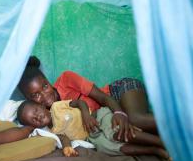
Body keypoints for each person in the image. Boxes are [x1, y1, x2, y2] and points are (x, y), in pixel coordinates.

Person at [18, 56, 159, 144]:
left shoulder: (66, 79)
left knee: (135, 119)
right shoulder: (46, 115)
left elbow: (103, 97)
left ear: (48, 81)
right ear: (28, 99)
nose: (44, 95)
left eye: (45, 86)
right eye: (35, 95)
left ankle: (180, 125)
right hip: (106, 116)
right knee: (124, 133)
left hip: (118, 92)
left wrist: (119, 113)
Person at [16, 100, 169, 159]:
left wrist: (86, 115)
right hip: (91, 137)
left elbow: (80, 103)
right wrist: (67, 147)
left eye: (36, 111)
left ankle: (163, 143)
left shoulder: (57, 107)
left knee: (116, 133)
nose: (38, 117)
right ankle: (154, 150)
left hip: (98, 117)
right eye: (33, 120)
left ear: (42, 106)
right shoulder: (52, 131)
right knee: (108, 148)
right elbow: (63, 138)